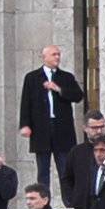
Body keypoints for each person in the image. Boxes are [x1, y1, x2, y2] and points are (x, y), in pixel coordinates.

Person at [16, 44, 85, 187]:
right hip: (41, 128)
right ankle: (43, 196)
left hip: (61, 127)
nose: (57, 57)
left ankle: (68, 197)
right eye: (54, 54)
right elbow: (26, 102)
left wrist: (58, 89)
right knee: (43, 170)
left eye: (58, 54)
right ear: (44, 57)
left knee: (64, 168)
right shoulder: (32, 78)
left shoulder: (66, 77)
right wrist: (25, 125)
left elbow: (78, 96)